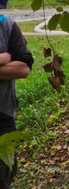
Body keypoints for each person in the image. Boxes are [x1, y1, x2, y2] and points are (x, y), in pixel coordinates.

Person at [0, 13, 33, 187]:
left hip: (3, 119)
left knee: (4, 178)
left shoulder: (7, 25)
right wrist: (3, 58)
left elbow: (24, 69)